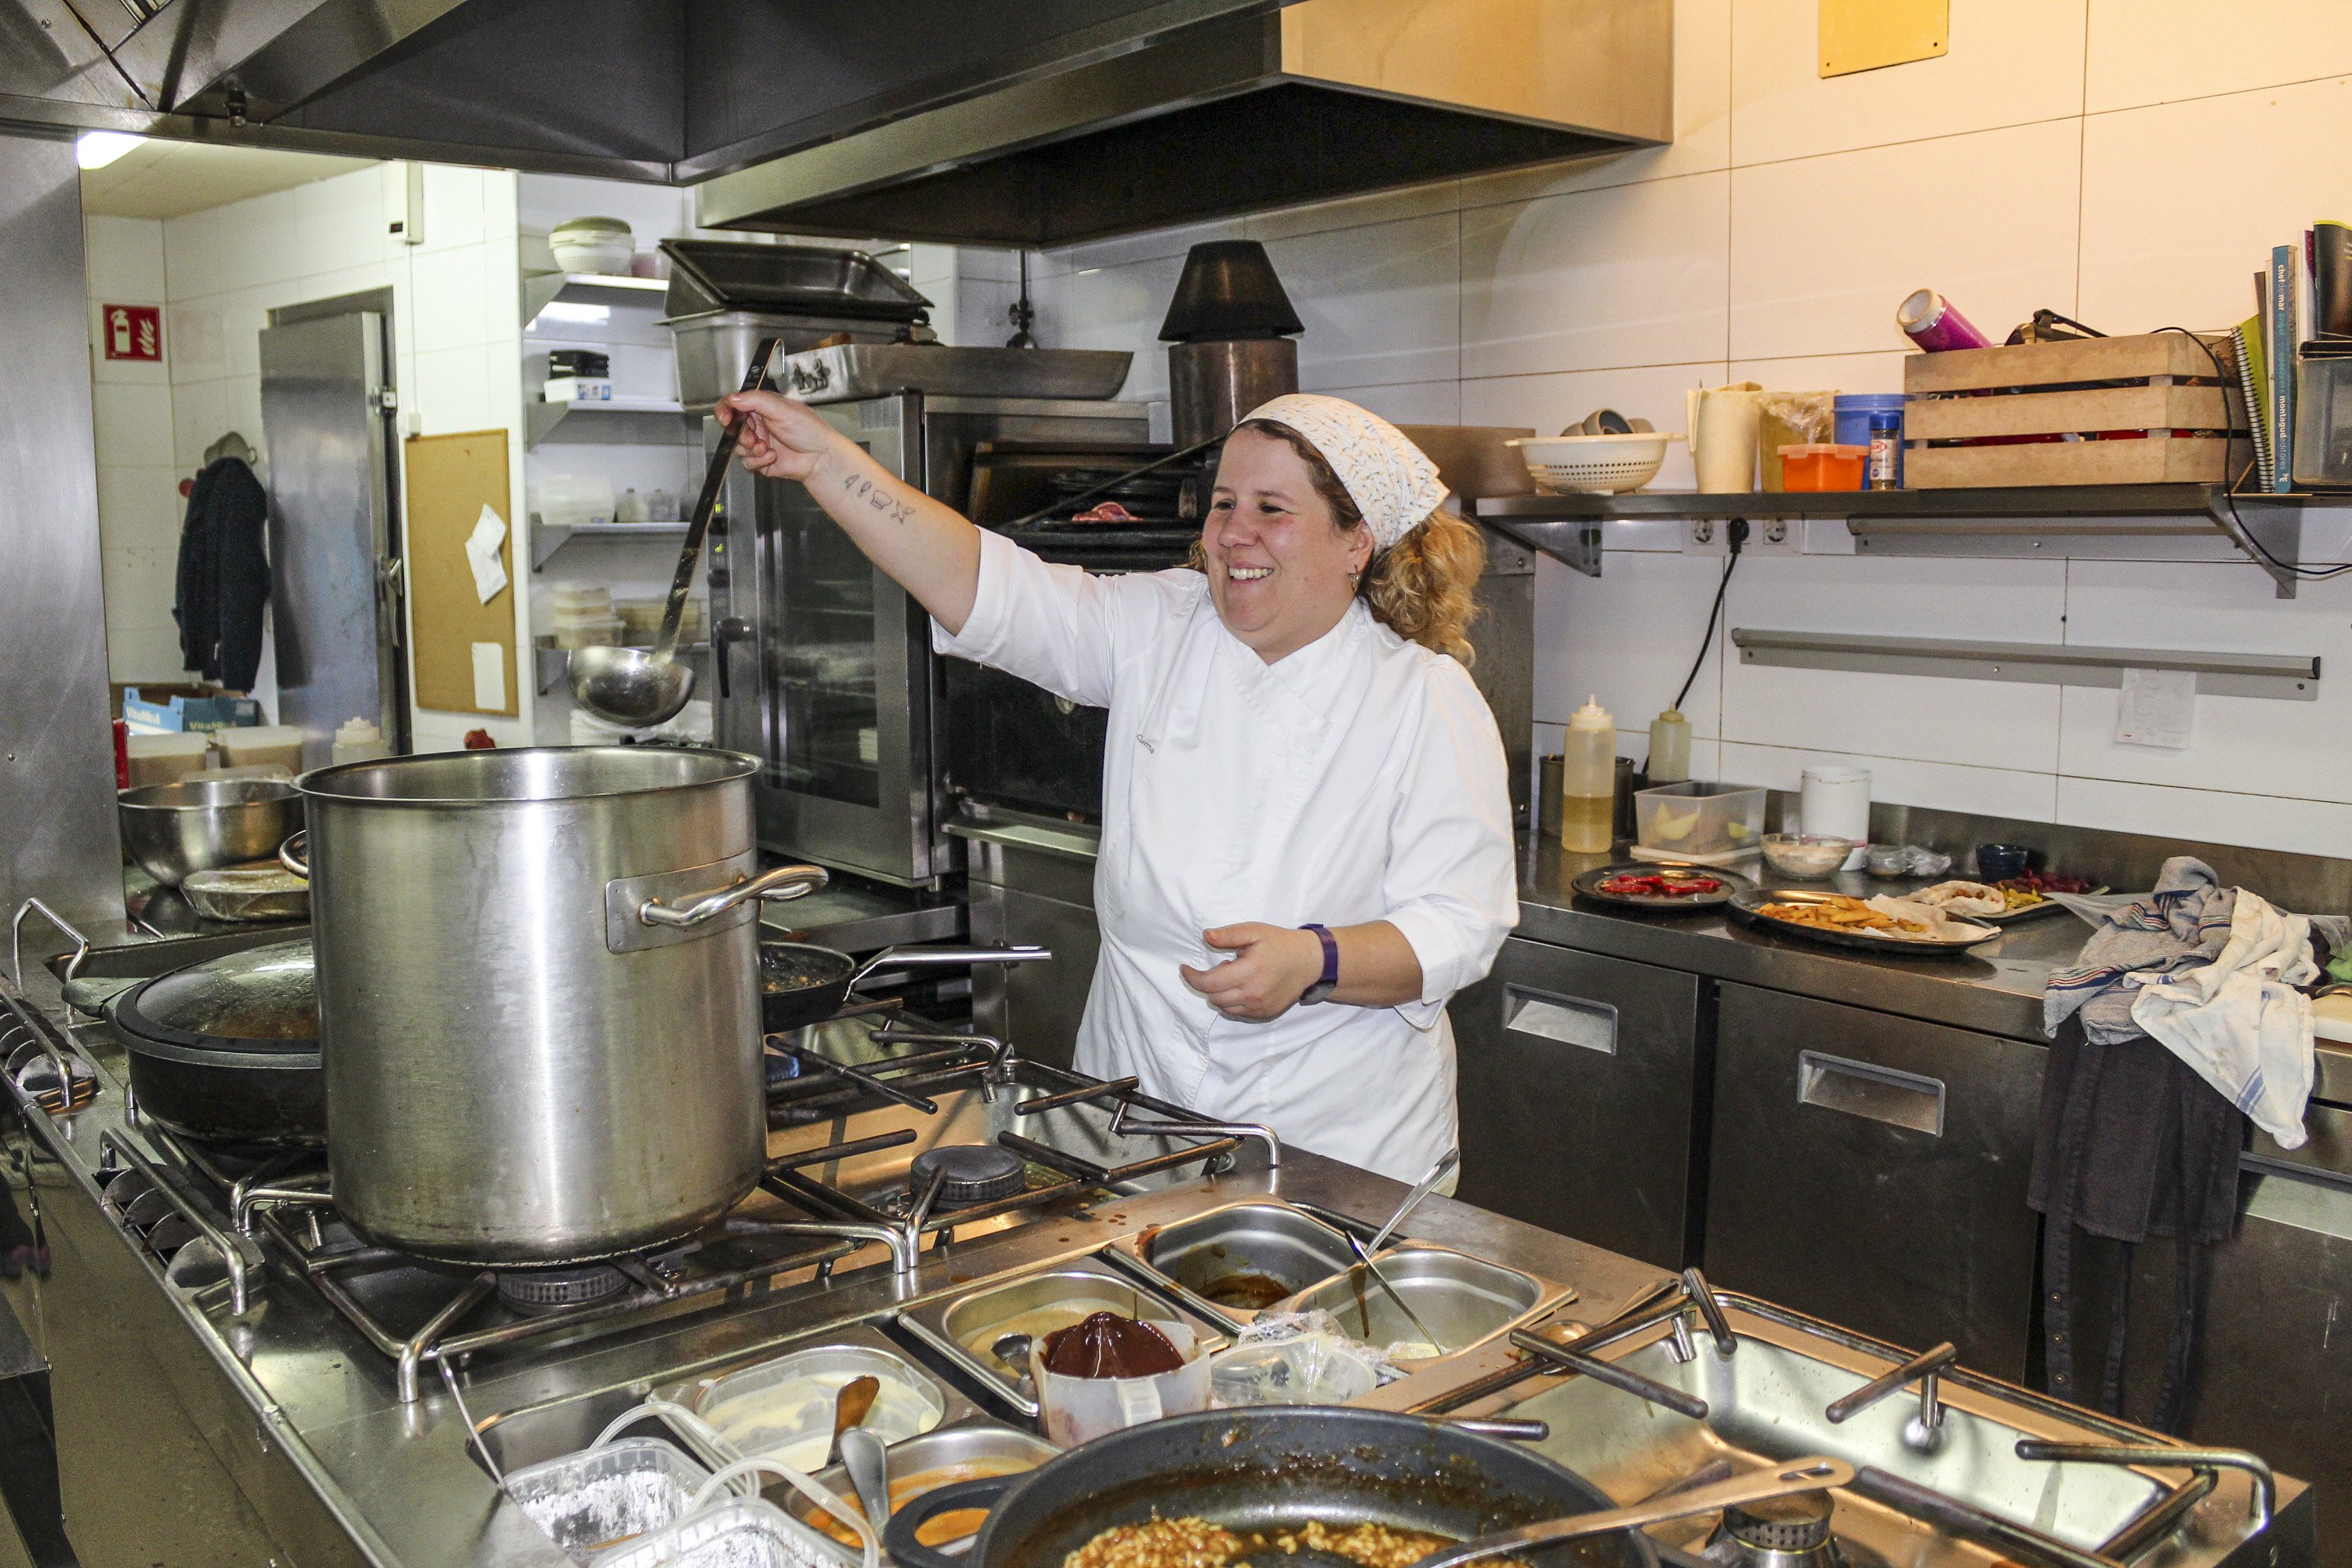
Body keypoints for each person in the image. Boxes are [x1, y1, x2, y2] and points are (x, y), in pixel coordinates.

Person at [719, 389, 1518, 1182]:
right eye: (1223, 503)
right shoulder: (1159, 626)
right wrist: (828, 463)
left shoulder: (1422, 698)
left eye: (1272, 508)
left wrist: (1316, 957)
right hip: (1136, 1114)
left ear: (1357, 543)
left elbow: (1462, 924)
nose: (1233, 534)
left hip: (1335, 1144)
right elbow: (989, 584)